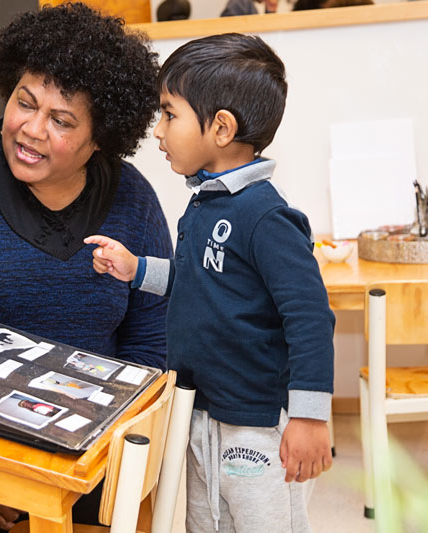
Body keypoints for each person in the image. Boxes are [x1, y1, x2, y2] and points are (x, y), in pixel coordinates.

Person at [0, 4, 172, 532]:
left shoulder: (133, 201)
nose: (31, 129)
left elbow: (149, 349)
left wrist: (102, 471)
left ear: (100, 139)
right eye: (25, 102)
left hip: (91, 458)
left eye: (62, 121)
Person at [85, 33, 335, 532]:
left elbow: (310, 317)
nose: (158, 131)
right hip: (203, 410)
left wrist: (309, 418)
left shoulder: (266, 216)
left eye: (169, 114)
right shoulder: (205, 202)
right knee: (207, 524)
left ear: (220, 127)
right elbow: (200, 282)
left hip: (257, 421)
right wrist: (137, 270)